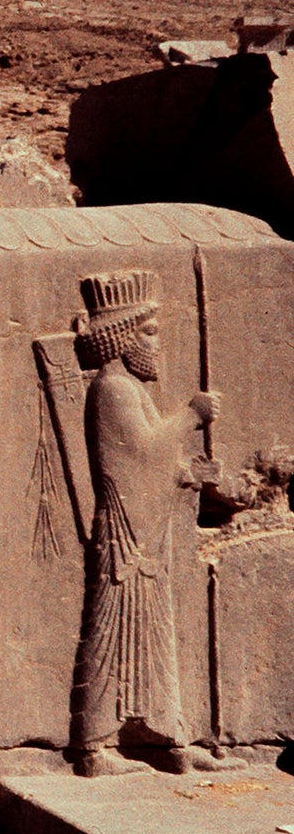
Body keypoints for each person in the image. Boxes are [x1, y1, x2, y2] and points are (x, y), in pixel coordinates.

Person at [68, 271, 240, 776]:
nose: (157, 344)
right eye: (148, 332)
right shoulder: (113, 389)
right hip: (125, 537)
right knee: (112, 634)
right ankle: (96, 748)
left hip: (145, 534)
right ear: (121, 337)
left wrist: (187, 476)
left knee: (153, 636)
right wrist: (190, 416)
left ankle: (168, 740)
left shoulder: (130, 389)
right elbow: (135, 453)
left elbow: (150, 461)